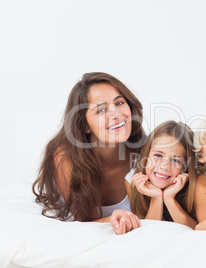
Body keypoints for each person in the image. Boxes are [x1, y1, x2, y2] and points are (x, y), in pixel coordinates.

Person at [32, 72, 146, 234]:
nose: (116, 115)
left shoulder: (143, 152)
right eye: (101, 110)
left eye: (119, 103)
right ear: (85, 125)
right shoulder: (64, 157)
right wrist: (112, 219)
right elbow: (84, 221)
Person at [127, 121, 197, 230]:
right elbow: (148, 233)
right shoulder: (132, 180)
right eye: (158, 155)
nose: (164, 166)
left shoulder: (197, 185)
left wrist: (169, 199)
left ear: (185, 167)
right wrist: (156, 198)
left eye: (175, 160)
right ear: (146, 154)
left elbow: (197, 230)